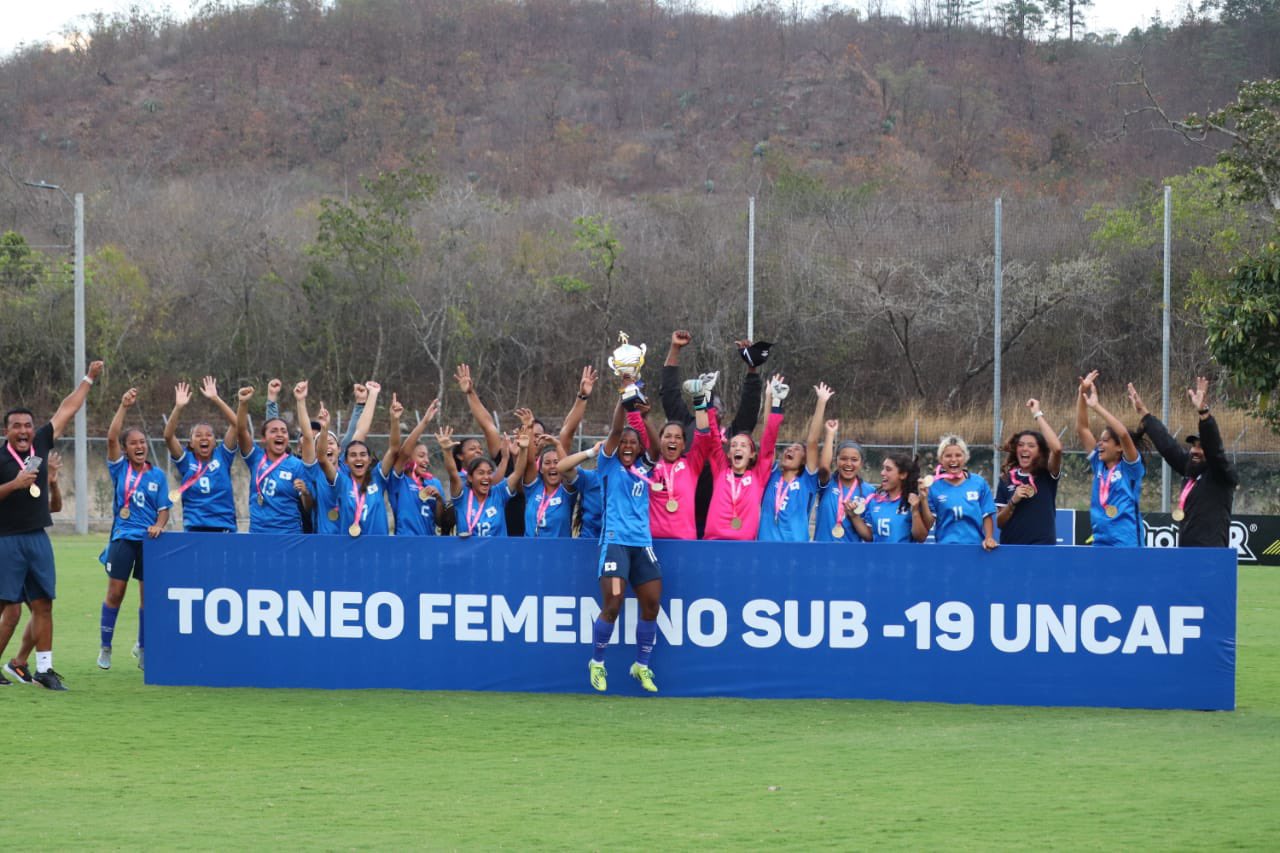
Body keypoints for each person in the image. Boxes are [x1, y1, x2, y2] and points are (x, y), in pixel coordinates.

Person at [0, 360, 103, 691]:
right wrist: (14, 485)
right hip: (6, 540)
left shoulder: (40, 445)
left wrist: (88, 378)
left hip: (38, 539)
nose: (24, 431)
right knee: (5, 607)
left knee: (44, 602)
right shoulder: (1, 459)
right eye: (17, 426)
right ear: (7, 431)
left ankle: (44, 669)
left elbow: (67, 409)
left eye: (28, 425)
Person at [560, 398, 663, 693]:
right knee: (614, 603)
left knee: (652, 604)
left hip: (642, 545)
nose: (628, 446)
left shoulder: (645, 468)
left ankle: (641, 666)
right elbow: (617, 429)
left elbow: (655, 449)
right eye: (624, 443)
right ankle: (597, 662)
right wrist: (622, 401)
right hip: (615, 543)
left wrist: (648, 417)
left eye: (634, 442)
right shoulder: (607, 464)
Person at [659, 330, 763, 537]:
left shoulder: (734, 437)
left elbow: (750, 407)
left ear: (722, 413)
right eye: (705, 405)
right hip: (680, 519)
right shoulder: (684, 426)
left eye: (714, 408)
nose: (709, 411)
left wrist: (752, 368)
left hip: (720, 522)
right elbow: (669, 392)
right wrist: (675, 349)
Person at [98, 388, 171, 672]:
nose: (139, 446)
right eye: (134, 443)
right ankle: (106, 646)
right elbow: (111, 437)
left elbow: (164, 510)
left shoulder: (157, 475)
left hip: (149, 541)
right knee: (116, 592)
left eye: (143, 442)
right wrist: (123, 406)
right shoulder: (119, 470)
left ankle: (143, 647)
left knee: (147, 596)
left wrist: (159, 525)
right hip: (123, 539)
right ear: (126, 449)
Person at [1128, 377, 1237, 547]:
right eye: (1193, 446)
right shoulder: (1191, 471)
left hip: (1212, 558)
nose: (1194, 450)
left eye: (1201, 447)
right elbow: (1168, 447)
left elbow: (1215, 451)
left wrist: (1204, 414)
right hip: (1186, 555)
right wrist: (1145, 414)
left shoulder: (1221, 474)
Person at [0, 450, 63, 686]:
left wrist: (54, 483)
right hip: (7, 546)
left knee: (41, 605)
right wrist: (15, 484)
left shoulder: (36, 479)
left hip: (32, 548)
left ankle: (21, 662)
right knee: (13, 611)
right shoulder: (7, 471)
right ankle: (18, 662)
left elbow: (54, 508)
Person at [702, 376, 784, 541]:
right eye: (733, 445)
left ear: (752, 454)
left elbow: (768, 443)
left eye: (743, 446)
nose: (738, 448)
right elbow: (712, 436)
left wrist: (777, 405)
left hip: (744, 545)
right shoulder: (721, 470)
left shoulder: (758, 477)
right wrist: (708, 398)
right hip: (713, 542)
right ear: (728, 454)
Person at [309, 389, 399, 537]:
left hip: (378, 546)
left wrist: (394, 420)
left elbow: (394, 449)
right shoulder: (341, 481)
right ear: (346, 460)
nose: (358, 458)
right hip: (342, 542)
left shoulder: (377, 477)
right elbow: (322, 458)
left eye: (363, 455)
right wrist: (324, 429)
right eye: (353, 455)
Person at [1075, 370, 1145, 547]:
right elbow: (1082, 429)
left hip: (1126, 542)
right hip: (1100, 540)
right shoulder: (1099, 465)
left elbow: (1122, 433)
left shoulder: (1130, 468)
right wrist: (1082, 394)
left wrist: (1096, 407)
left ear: (1119, 447)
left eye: (1105, 440)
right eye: (1100, 440)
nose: (1100, 444)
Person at [236, 383, 316, 534]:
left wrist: (305, 493)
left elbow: (308, 506)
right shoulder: (256, 458)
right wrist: (243, 403)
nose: (280, 434)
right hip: (258, 533)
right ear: (264, 438)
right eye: (274, 431)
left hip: (288, 534)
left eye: (284, 431)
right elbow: (241, 430)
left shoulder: (296, 465)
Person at [163, 377, 239, 533]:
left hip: (224, 528)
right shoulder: (186, 460)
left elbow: (237, 424)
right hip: (195, 529)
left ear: (215, 441)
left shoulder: (223, 456)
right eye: (198, 435)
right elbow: (168, 436)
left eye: (209, 435)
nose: (204, 438)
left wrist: (216, 399)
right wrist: (178, 407)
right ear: (190, 443)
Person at [758, 383, 833, 542]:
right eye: (788, 448)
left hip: (796, 549)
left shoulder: (807, 480)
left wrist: (821, 402)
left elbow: (812, 442)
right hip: (765, 546)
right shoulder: (771, 474)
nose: (789, 450)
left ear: (805, 459)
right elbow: (767, 438)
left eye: (797, 449)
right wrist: (769, 397)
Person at [436, 425, 527, 538]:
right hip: (469, 553)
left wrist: (523, 449)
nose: (486, 477)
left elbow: (518, 472)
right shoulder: (462, 495)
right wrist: (446, 451)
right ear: (470, 477)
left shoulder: (498, 493)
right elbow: (453, 473)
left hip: (496, 553)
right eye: (481, 473)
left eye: (489, 473)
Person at [994, 398, 1064, 545]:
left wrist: (1037, 414)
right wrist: (1013, 501)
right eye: (1021, 445)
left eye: (1031, 446)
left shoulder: (1047, 474)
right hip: (1011, 548)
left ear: (1040, 452)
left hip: (1042, 548)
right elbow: (999, 523)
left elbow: (1057, 448)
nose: (1025, 449)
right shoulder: (1006, 479)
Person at [918, 435, 998, 550]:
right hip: (944, 549)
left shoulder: (979, 483)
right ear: (941, 459)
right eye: (948, 456)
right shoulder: (934, 487)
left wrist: (989, 537)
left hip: (975, 549)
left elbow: (987, 515)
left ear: (965, 458)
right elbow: (929, 523)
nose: (953, 460)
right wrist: (923, 499)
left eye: (958, 455)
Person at [389, 397, 447, 536]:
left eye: (427, 456)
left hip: (428, 544)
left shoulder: (434, 483)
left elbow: (441, 522)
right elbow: (403, 452)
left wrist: (439, 500)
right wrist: (425, 421)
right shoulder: (398, 480)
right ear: (409, 457)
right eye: (421, 456)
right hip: (404, 543)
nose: (426, 460)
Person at [849, 453, 929, 543]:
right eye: (883, 468)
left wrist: (915, 511)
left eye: (888, 469)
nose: (882, 473)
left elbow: (921, 538)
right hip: (879, 556)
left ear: (902, 475)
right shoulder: (874, 501)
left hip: (904, 556)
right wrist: (854, 516)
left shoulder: (912, 502)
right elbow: (870, 536)